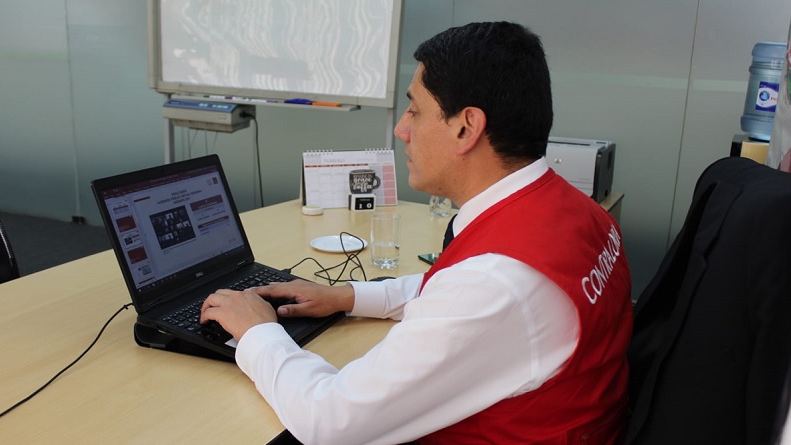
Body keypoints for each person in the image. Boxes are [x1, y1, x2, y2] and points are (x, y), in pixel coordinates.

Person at [201, 21, 632, 444]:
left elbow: (329, 422)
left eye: (415, 110)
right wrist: (347, 297)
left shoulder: (493, 283)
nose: (401, 129)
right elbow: (453, 291)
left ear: (466, 127)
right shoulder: (576, 210)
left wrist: (257, 331)